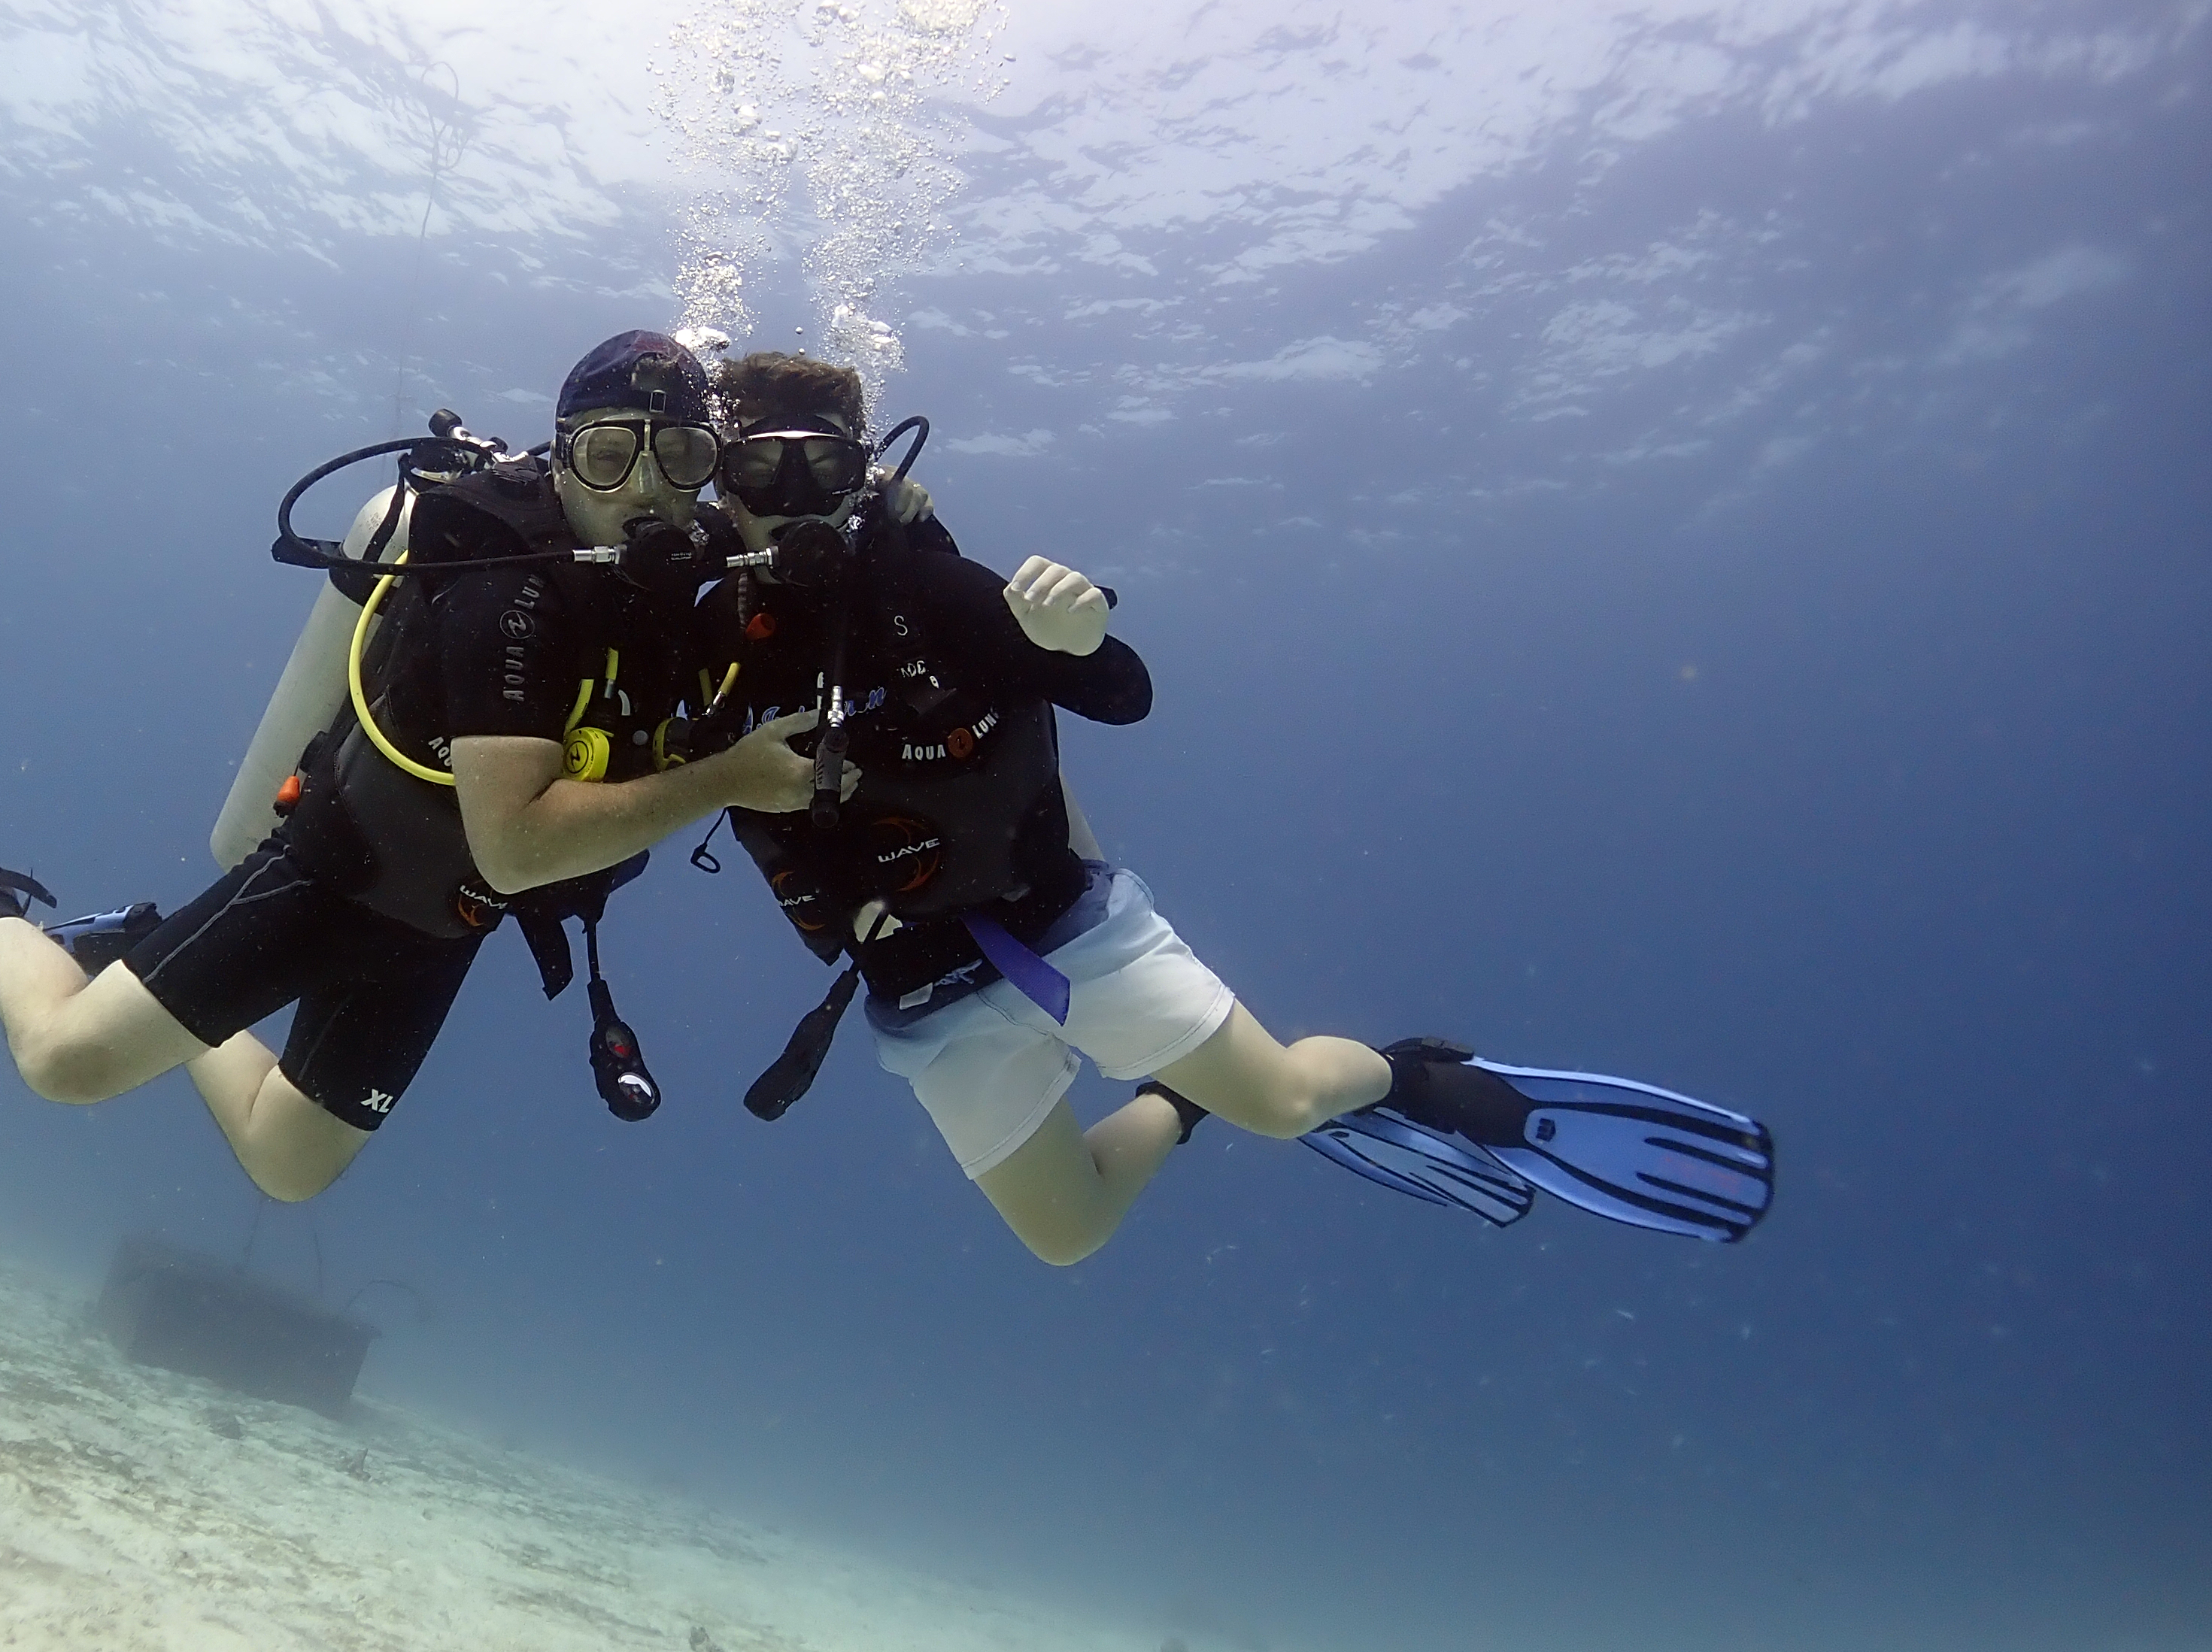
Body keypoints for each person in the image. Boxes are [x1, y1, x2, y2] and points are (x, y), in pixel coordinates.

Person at [0, 332, 826, 1202]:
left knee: (290, 1167)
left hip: (442, 924)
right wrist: (725, 781)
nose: (646, 493)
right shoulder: (502, 588)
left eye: (678, 458)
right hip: (338, 874)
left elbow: (821, 501)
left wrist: (898, 514)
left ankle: (130, 944)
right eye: (611, 456)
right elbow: (517, 840)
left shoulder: (697, 573)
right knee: (66, 1068)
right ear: (561, 459)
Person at [693, 352, 1774, 1259]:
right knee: (1066, 1235)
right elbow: (686, 783)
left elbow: (1124, 694)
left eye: (822, 467)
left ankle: (1419, 1078)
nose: (794, 502)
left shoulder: (933, 590)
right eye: (762, 473)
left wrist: (1072, 637)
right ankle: (1178, 1101)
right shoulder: (700, 642)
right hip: (918, 986)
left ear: (862, 475)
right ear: (721, 486)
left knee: (1291, 1104)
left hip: (1066, 927)